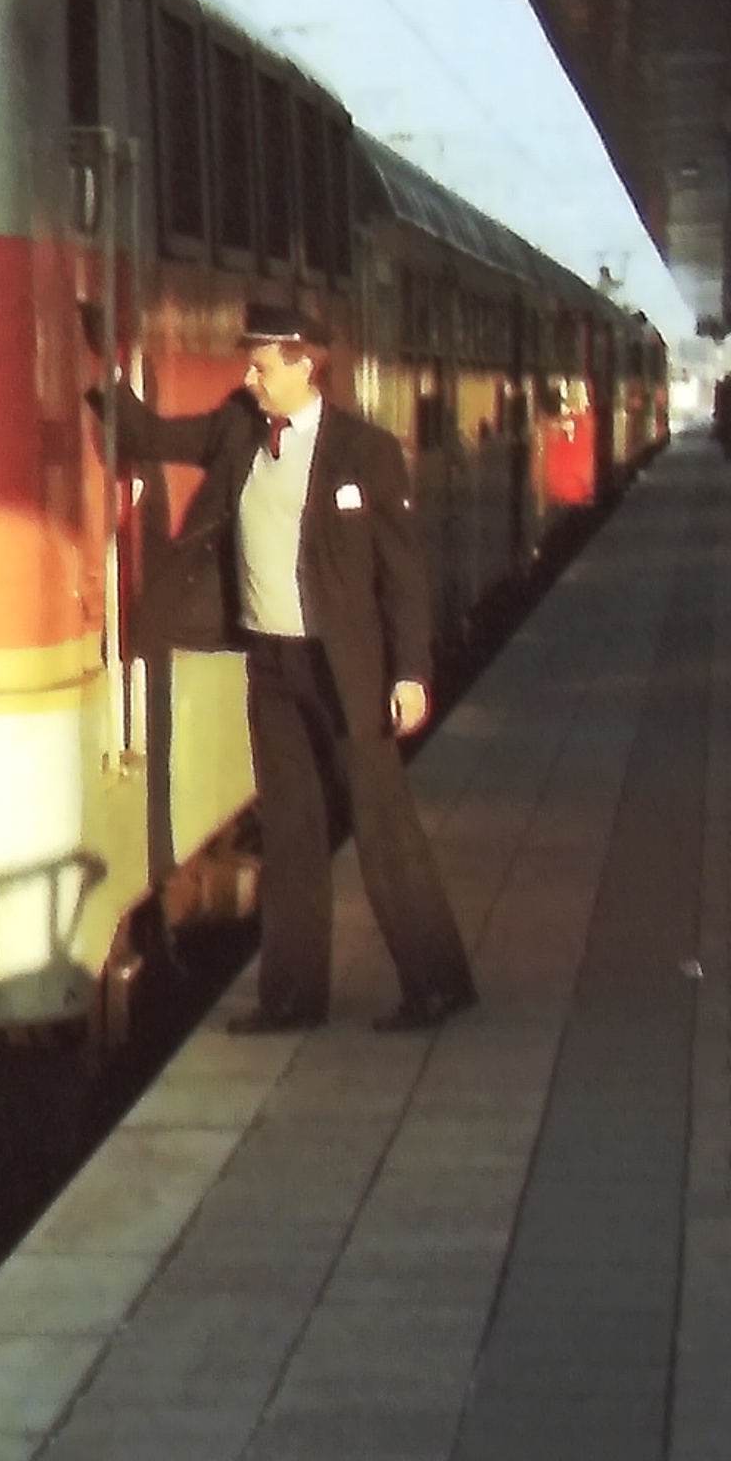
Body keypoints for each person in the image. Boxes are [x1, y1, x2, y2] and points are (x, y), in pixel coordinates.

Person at [96, 302, 478, 1034]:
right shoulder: (239, 429)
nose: (249, 379)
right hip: (272, 664)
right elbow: (147, 435)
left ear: (306, 365)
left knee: (381, 825)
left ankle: (437, 982)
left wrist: (411, 672)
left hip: (347, 669)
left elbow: (403, 573)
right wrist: (96, 365)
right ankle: (293, 997)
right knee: (292, 832)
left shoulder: (366, 450)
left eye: (262, 367)